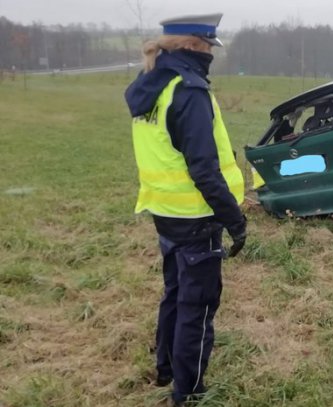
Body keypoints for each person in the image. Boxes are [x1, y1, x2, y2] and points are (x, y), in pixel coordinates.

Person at [124, 13, 246, 406]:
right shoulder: (189, 91)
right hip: (196, 219)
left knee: (175, 295)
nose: (211, 54)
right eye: (209, 47)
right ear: (194, 46)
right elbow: (205, 170)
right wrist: (235, 220)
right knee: (197, 307)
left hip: (165, 213)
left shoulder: (152, 85)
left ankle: (165, 370)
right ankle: (189, 391)